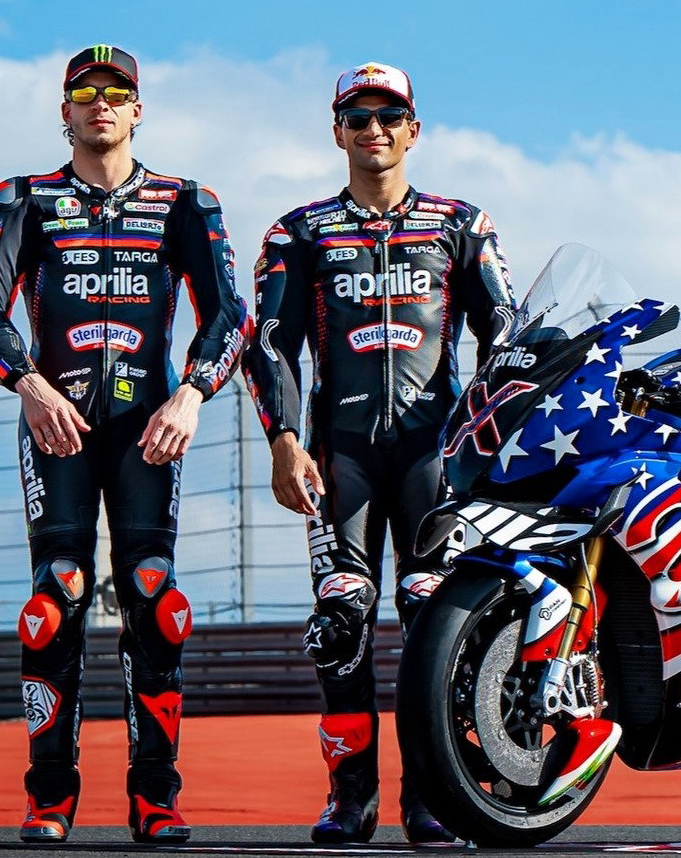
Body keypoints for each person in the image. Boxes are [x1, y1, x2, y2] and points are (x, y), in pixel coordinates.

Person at [0, 44, 249, 844]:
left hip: (150, 427)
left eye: (117, 92)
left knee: (157, 597)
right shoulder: (22, 198)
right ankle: (50, 797)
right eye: (85, 92)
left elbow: (231, 315)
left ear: (138, 108)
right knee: (54, 602)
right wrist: (30, 385)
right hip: (59, 424)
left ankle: (156, 796)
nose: (101, 104)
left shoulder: (188, 201)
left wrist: (191, 392)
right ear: (65, 110)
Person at [242, 61, 516, 844]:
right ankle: (350, 795)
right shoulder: (298, 230)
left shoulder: (462, 223)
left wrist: (493, 425)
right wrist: (286, 442)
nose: (374, 130)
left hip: (437, 455)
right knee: (341, 616)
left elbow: (506, 329)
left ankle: (433, 792)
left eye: (388, 116)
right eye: (357, 117)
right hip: (342, 455)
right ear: (337, 132)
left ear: (414, 129)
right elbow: (271, 347)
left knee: (436, 618)